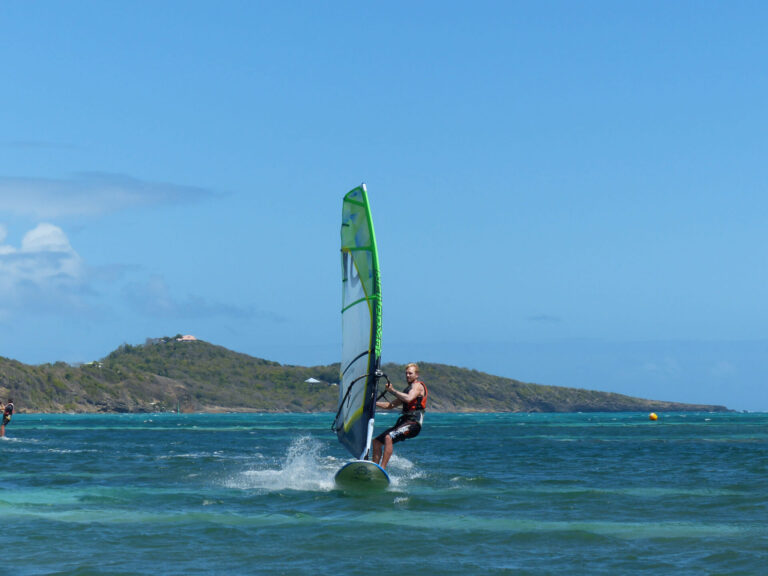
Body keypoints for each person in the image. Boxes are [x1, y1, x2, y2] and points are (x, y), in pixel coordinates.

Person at [371, 363, 427, 469]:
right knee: (377, 442)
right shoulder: (407, 390)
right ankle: (374, 468)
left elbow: (409, 399)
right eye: (406, 373)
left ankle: (382, 468)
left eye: (410, 373)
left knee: (388, 437)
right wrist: (373, 402)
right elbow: (390, 405)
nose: (407, 375)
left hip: (413, 423)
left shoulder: (418, 386)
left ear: (417, 375)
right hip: (404, 422)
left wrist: (392, 391)